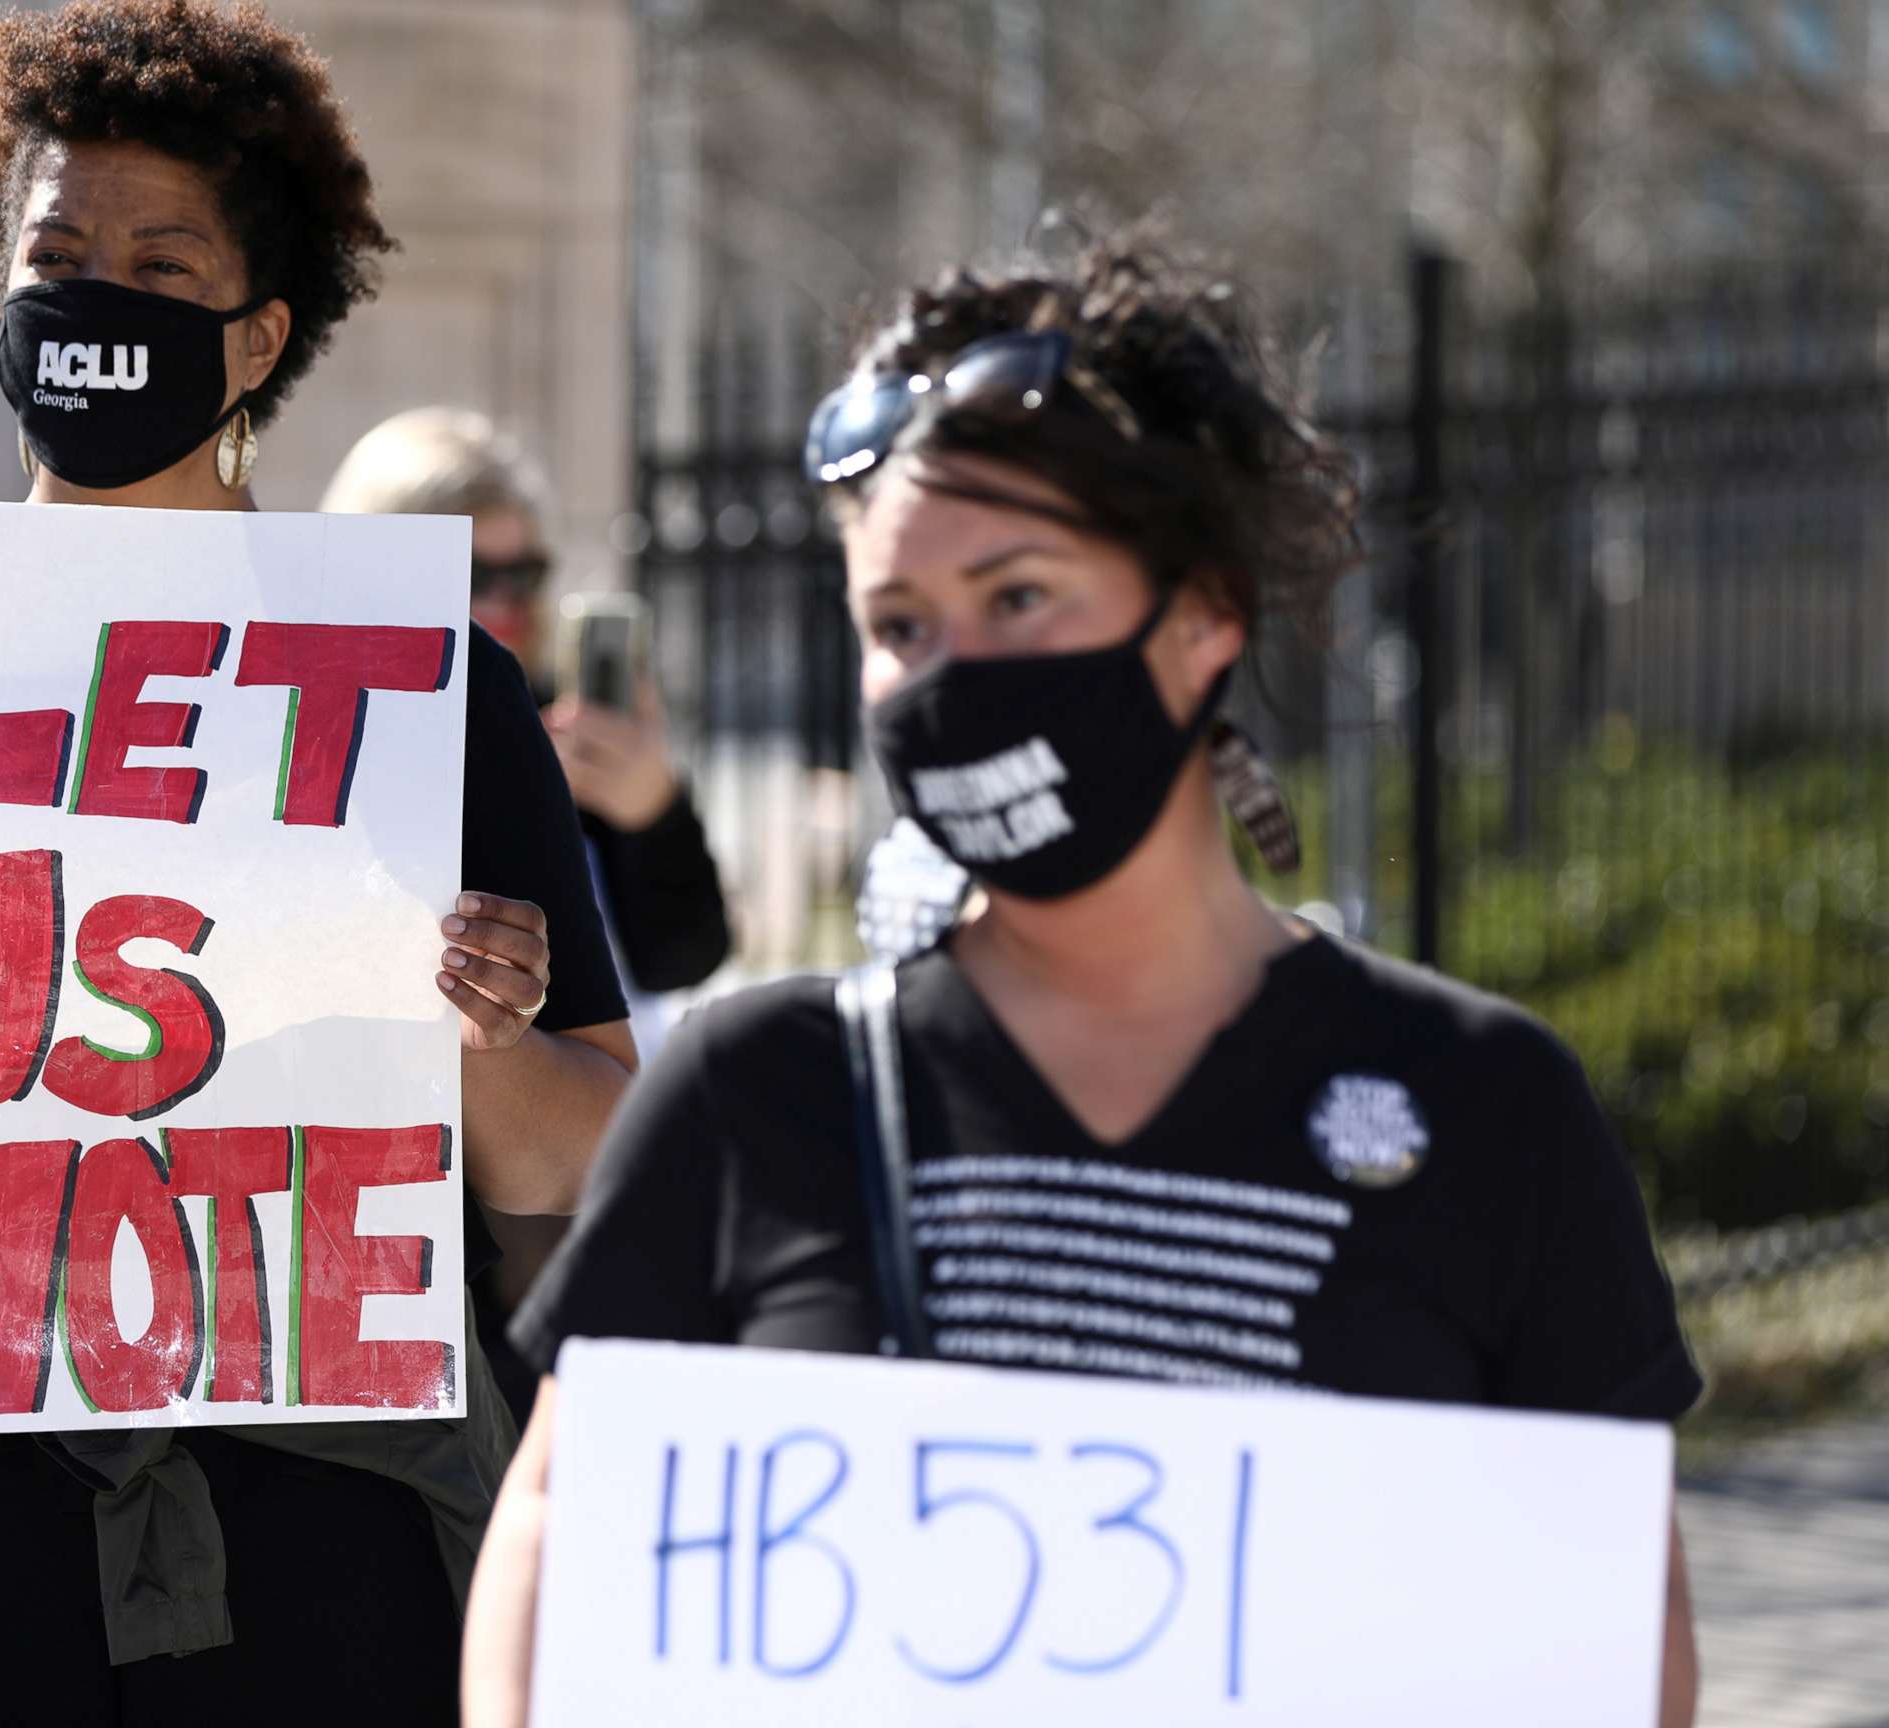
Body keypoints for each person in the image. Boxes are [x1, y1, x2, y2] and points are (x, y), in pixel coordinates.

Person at [461, 228, 1702, 1728]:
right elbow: (553, 1562)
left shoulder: (1485, 1110)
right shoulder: (749, 1098)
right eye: (898, 627)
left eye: (1021, 597)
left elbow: (1625, 1654)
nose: (952, 674)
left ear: (1203, 616)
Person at [0, 5, 634, 1723]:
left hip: (310, 1536)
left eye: (163, 263)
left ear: (254, 339)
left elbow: (569, 1155)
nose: (97, 298)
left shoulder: (424, 693)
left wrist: (476, 1035)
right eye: (55, 250)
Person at [322, 408, 732, 1423]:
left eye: (528, 576)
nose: (504, 606)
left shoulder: (570, 726)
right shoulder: (345, 734)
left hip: (594, 1174)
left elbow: (687, 951)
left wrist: (655, 815)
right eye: (473, 578)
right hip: (420, 1212)